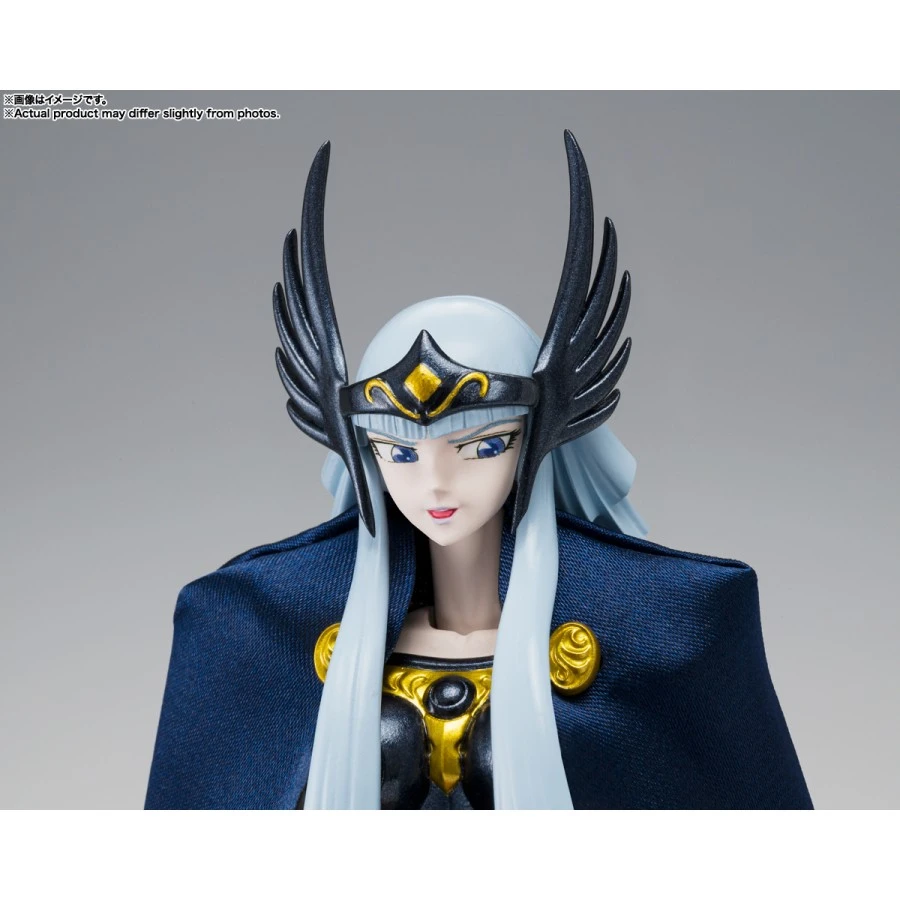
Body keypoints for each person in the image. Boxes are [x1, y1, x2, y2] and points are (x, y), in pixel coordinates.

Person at [146, 133, 812, 809]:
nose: (435, 482)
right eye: (399, 452)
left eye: (482, 447)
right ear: (363, 455)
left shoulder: (663, 629)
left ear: (537, 442)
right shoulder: (259, 627)